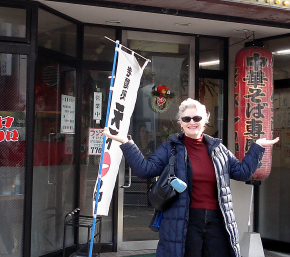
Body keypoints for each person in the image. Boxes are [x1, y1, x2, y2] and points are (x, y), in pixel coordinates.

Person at [103, 98, 279, 257]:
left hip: (217, 220)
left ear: (205, 122)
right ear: (181, 123)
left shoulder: (218, 149)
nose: (192, 122)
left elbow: (242, 172)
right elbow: (145, 169)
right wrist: (127, 144)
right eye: (186, 119)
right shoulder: (170, 148)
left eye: (197, 118)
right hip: (184, 220)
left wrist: (257, 147)